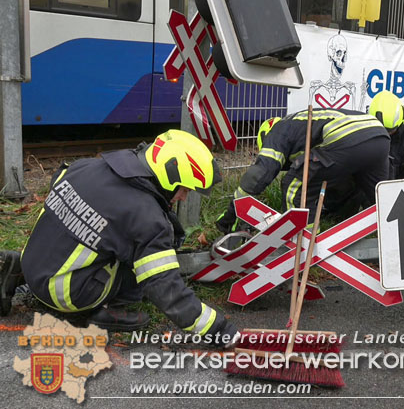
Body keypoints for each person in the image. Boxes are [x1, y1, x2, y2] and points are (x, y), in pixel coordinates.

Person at [3, 130, 238, 342]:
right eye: (185, 189)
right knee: (137, 264)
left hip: (33, 261)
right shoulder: (145, 218)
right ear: (170, 176)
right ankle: (108, 310)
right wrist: (218, 329)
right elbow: (164, 286)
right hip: (66, 296)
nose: (184, 198)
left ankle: (17, 271)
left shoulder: (86, 167)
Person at [216, 108, 390, 233]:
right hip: (379, 136)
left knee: (294, 184)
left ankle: (304, 240)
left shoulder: (277, 131)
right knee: (380, 198)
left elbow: (259, 175)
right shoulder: (300, 125)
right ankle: (387, 236)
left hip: (346, 135)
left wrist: (231, 214)